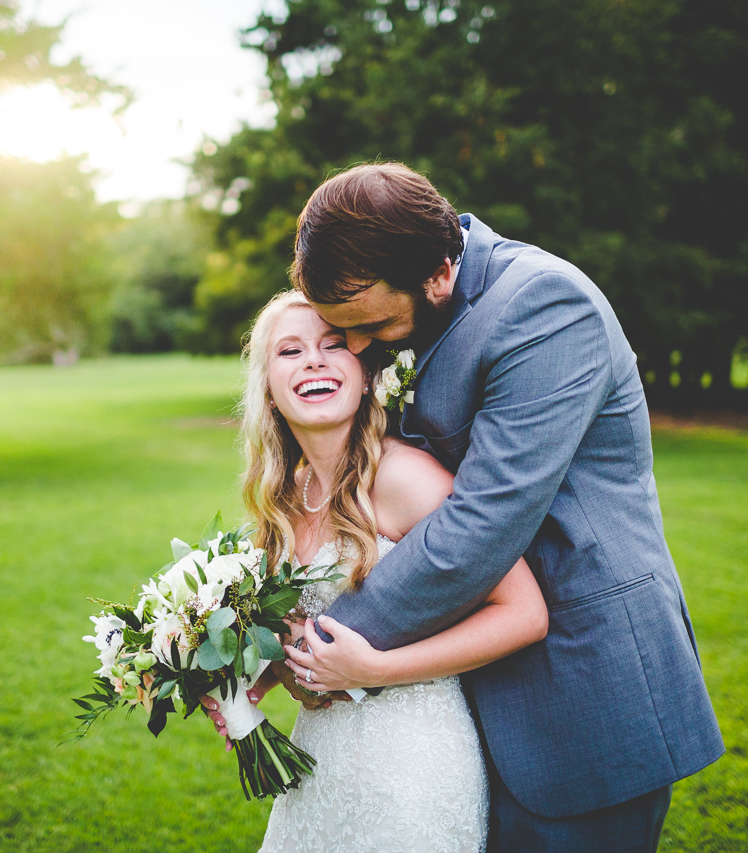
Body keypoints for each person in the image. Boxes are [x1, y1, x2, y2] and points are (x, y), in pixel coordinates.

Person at [278, 163, 726, 852]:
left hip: (585, 689)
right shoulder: (430, 309)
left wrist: (317, 648)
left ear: (436, 273)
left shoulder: (544, 306)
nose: (360, 347)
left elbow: (481, 523)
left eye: (366, 325)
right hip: (471, 690)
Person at [203, 289, 550, 852]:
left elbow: (524, 613)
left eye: (333, 344)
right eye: (290, 351)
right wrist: (255, 676)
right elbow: (310, 637)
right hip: (322, 764)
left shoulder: (405, 479)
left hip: (412, 768)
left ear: (366, 375)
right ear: (268, 388)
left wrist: (377, 669)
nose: (313, 360)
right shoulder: (285, 497)